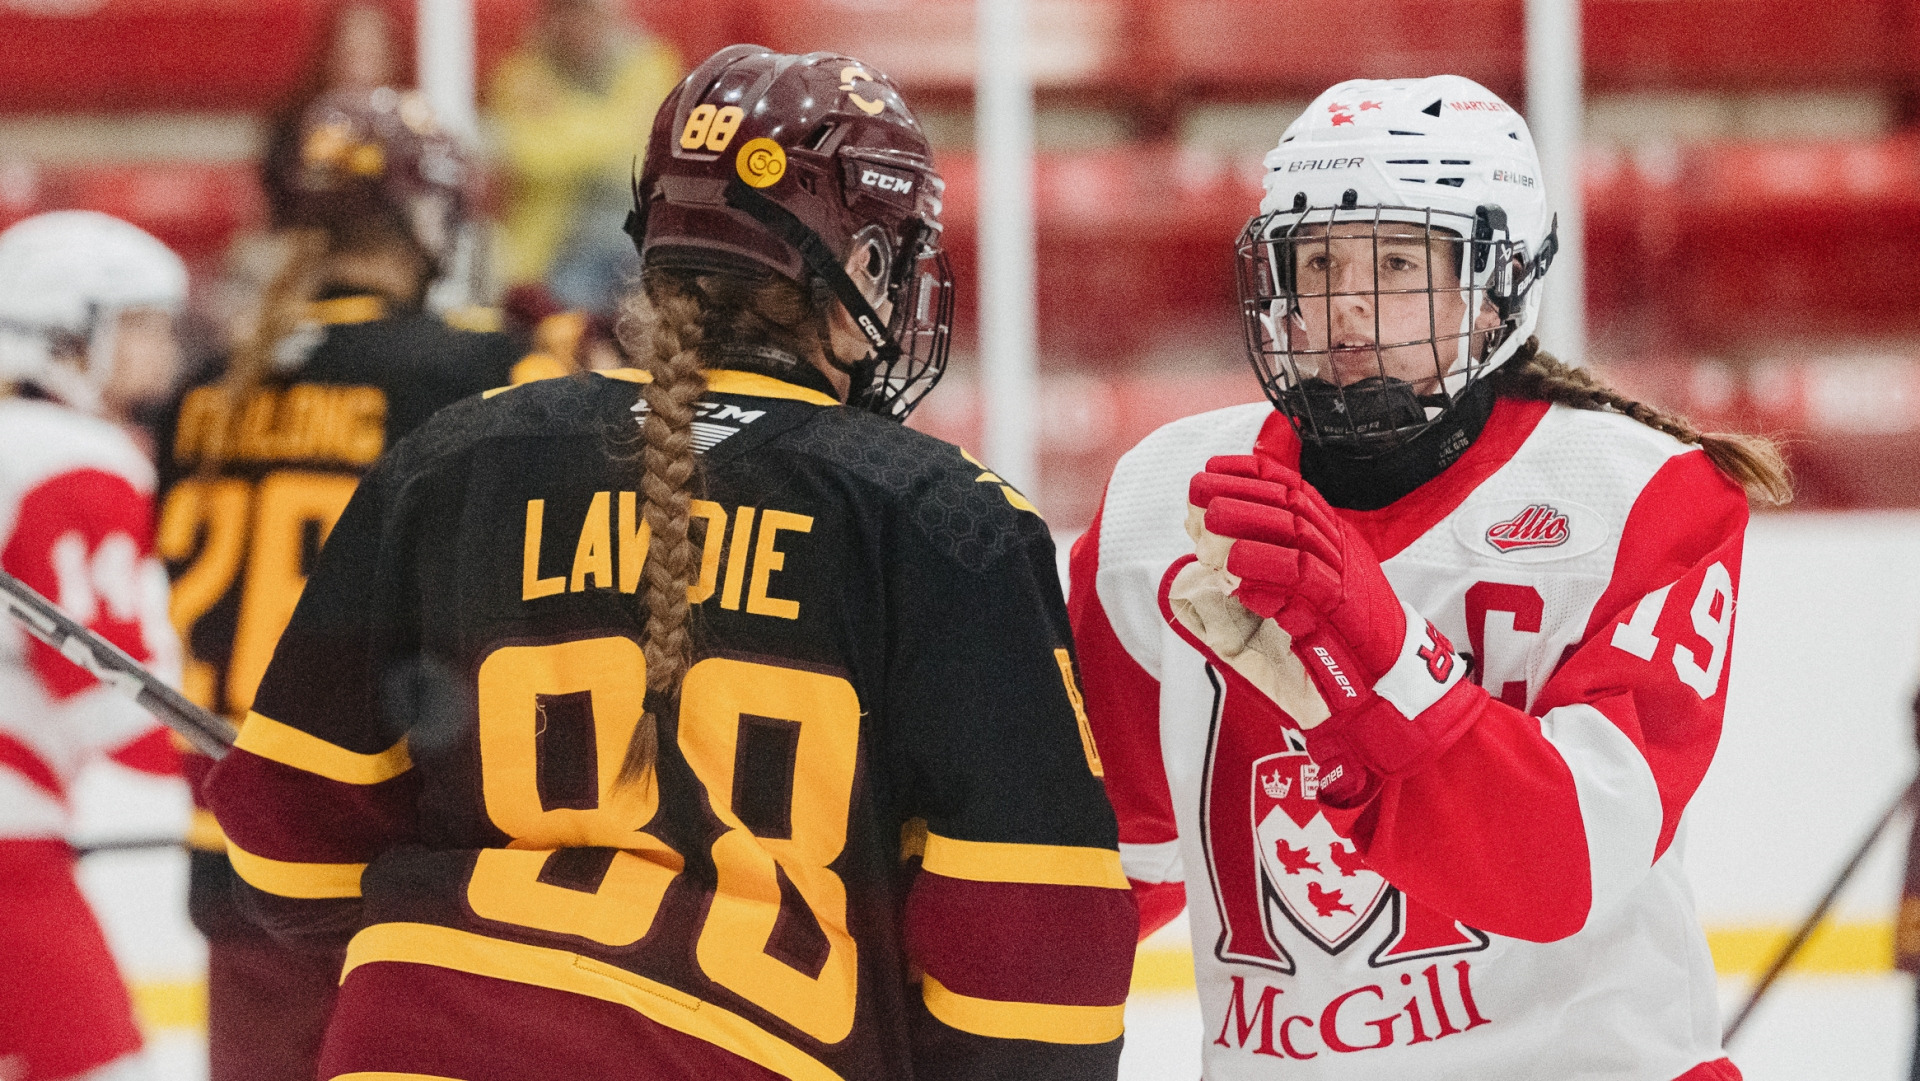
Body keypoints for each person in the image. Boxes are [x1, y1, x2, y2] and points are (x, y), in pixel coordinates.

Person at [203, 46, 1137, 1079]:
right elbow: (1036, 967)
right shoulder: (945, 519)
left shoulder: (457, 454)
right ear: (864, 266)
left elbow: (284, 841)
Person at [1071, 74, 1791, 1080]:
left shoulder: (1640, 497)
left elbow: (1560, 867)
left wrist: (1368, 639)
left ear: (1497, 287)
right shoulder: (1162, 506)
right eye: (1314, 261)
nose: (1346, 305)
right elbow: (1099, 872)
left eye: (1400, 263)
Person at [153, 86, 543, 1081]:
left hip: (228, 823)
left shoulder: (205, 388)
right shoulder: (470, 368)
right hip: (378, 831)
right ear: (423, 217)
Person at [0, 211, 188, 1081]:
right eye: (142, 323)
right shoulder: (71, 456)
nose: (163, 348)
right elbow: (115, 699)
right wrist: (268, 775)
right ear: (69, 332)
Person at [488, 0, 682, 313]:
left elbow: (638, 153)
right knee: (566, 312)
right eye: (565, 13)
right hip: (552, 252)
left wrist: (560, 120)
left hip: (636, 238)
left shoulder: (650, 64)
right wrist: (609, 125)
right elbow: (527, 155)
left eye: (585, 13)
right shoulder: (520, 74)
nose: (576, 25)